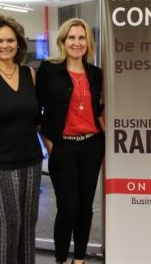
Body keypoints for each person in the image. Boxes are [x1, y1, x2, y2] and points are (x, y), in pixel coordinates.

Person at [36, 18, 105, 264]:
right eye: (72, 37)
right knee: (67, 209)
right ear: (63, 41)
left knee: (86, 207)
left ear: (88, 41)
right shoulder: (49, 70)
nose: (77, 43)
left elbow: (100, 110)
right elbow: (37, 109)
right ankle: (62, 259)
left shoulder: (96, 74)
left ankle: (79, 259)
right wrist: (48, 141)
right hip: (62, 147)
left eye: (82, 37)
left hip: (92, 146)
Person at [0, 13, 43, 264]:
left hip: (31, 160)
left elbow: (35, 118)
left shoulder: (30, 74)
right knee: (8, 227)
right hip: (0, 164)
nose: (5, 46)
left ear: (18, 43)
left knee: (28, 226)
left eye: (10, 40)